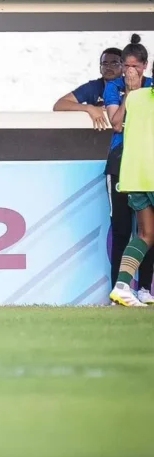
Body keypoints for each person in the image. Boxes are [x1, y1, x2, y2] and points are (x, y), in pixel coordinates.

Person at [104, 34, 154, 302]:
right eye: (126, 66)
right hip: (133, 168)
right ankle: (120, 289)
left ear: (145, 67)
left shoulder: (140, 94)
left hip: (135, 171)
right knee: (127, 231)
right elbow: (116, 124)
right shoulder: (127, 93)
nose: (129, 71)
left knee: (146, 234)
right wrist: (131, 94)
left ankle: (132, 288)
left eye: (135, 66)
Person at [52, 47, 123, 128]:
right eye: (105, 63)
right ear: (100, 68)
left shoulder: (130, 86)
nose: (109, 67)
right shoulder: (93, 87)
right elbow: (59, 105)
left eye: (114, 63)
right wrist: (89, 108)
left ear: (123, 67)